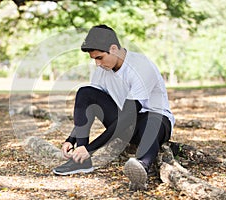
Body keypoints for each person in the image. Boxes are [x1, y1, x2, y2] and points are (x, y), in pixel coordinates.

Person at [52, 24, 175, 189]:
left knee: (150, 121)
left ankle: (141, 167)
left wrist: (91, 148)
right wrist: (72, 139)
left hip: (155, 121)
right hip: (124, 123)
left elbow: (128, 117)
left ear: (114, 48)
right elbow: (89, 107)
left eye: (100, 58)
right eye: (94, 59)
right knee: (85, 92)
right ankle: (80, 161)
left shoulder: (140, 67)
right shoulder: (102, 69)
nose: (97, 64)